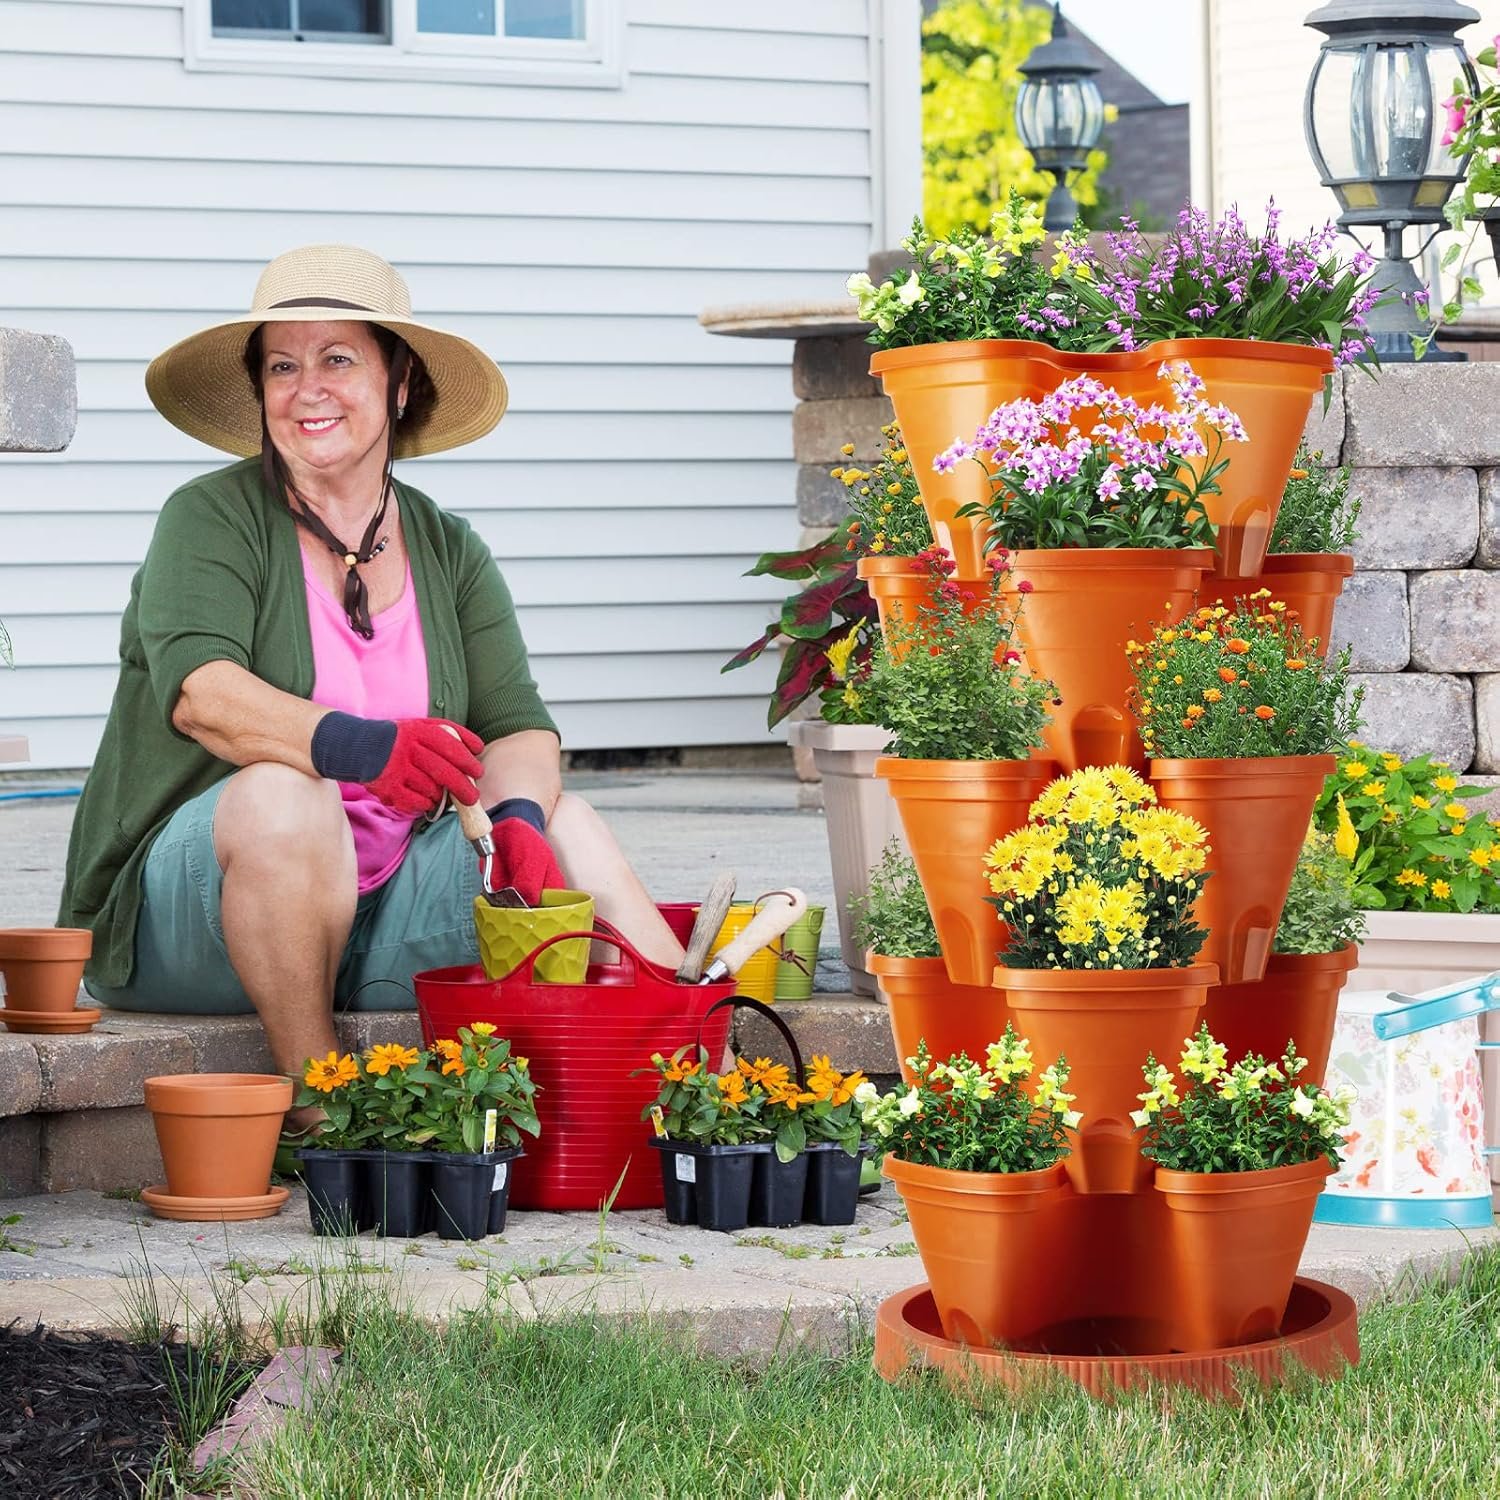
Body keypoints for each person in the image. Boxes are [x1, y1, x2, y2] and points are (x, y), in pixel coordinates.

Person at [58, 244, 684, 1101]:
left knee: (567, 822)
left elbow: (518, 727)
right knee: (287, 790)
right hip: (193, 925)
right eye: (282, 366)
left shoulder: (448, 546)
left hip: (380, 921)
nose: (307, 388)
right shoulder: (209, 517)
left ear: (399, 384)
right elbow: (205, 696)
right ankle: (323, 1108)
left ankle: (709, 1087)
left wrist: (516, 821)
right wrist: (362, 749)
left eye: (338, 359)